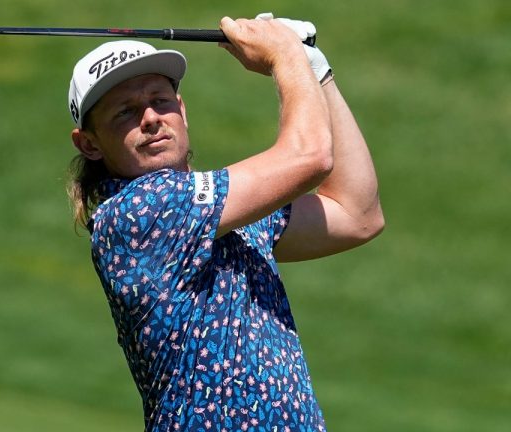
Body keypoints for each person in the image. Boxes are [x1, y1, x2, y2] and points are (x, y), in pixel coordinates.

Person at [66, 13, 384, 432]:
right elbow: (311, 159)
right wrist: (284, 54)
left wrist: (316, 69)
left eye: (160, 101)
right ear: (89, 144)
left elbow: (357, 214)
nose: (150, 118)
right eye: (125, 112)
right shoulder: (136, 213)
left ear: (181, 109)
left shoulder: (220, 210)